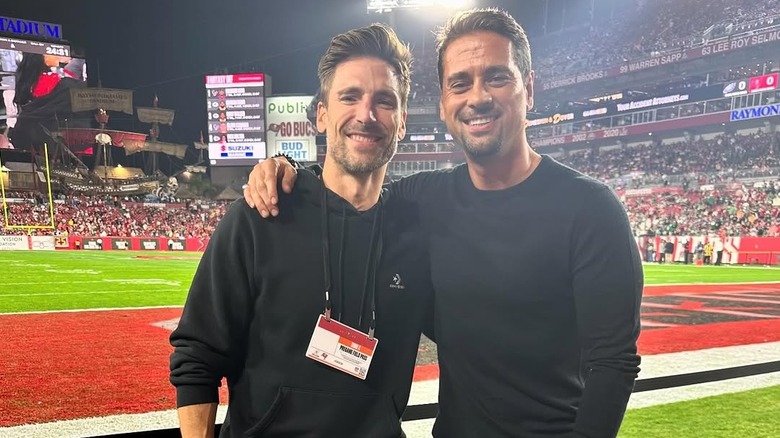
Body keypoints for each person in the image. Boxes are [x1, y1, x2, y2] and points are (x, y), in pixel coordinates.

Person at [244, 8, 643, 437]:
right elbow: (348, 187)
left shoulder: (590, 208)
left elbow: (613, 363)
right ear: (443, 103)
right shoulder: (424, 198)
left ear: (529, 89)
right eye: (460, 83)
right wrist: (287, 168)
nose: (477, 97)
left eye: (497, 77)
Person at [170, 24, 433, 437]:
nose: (366, 114)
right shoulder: (259, 215)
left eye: (385, 101)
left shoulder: (420, 234)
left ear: (401, 123)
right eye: (350, 96)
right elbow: (196, 360)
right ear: (322, 115)